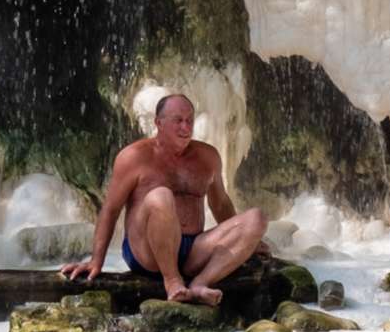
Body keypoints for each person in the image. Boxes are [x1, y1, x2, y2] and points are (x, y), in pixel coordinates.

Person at [59, 92, 266, 305]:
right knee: (161, 196)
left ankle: (200, 283)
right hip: (145, 252)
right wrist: (96, 260)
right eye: (178, 121)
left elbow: (220, 204)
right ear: (159, 123)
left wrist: (247, 240)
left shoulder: (208, 157)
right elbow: (111, 209)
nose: (185, 128)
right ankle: (172, 281)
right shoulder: (134, 156)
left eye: (189, 121)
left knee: (256, 218)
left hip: (192, 250)